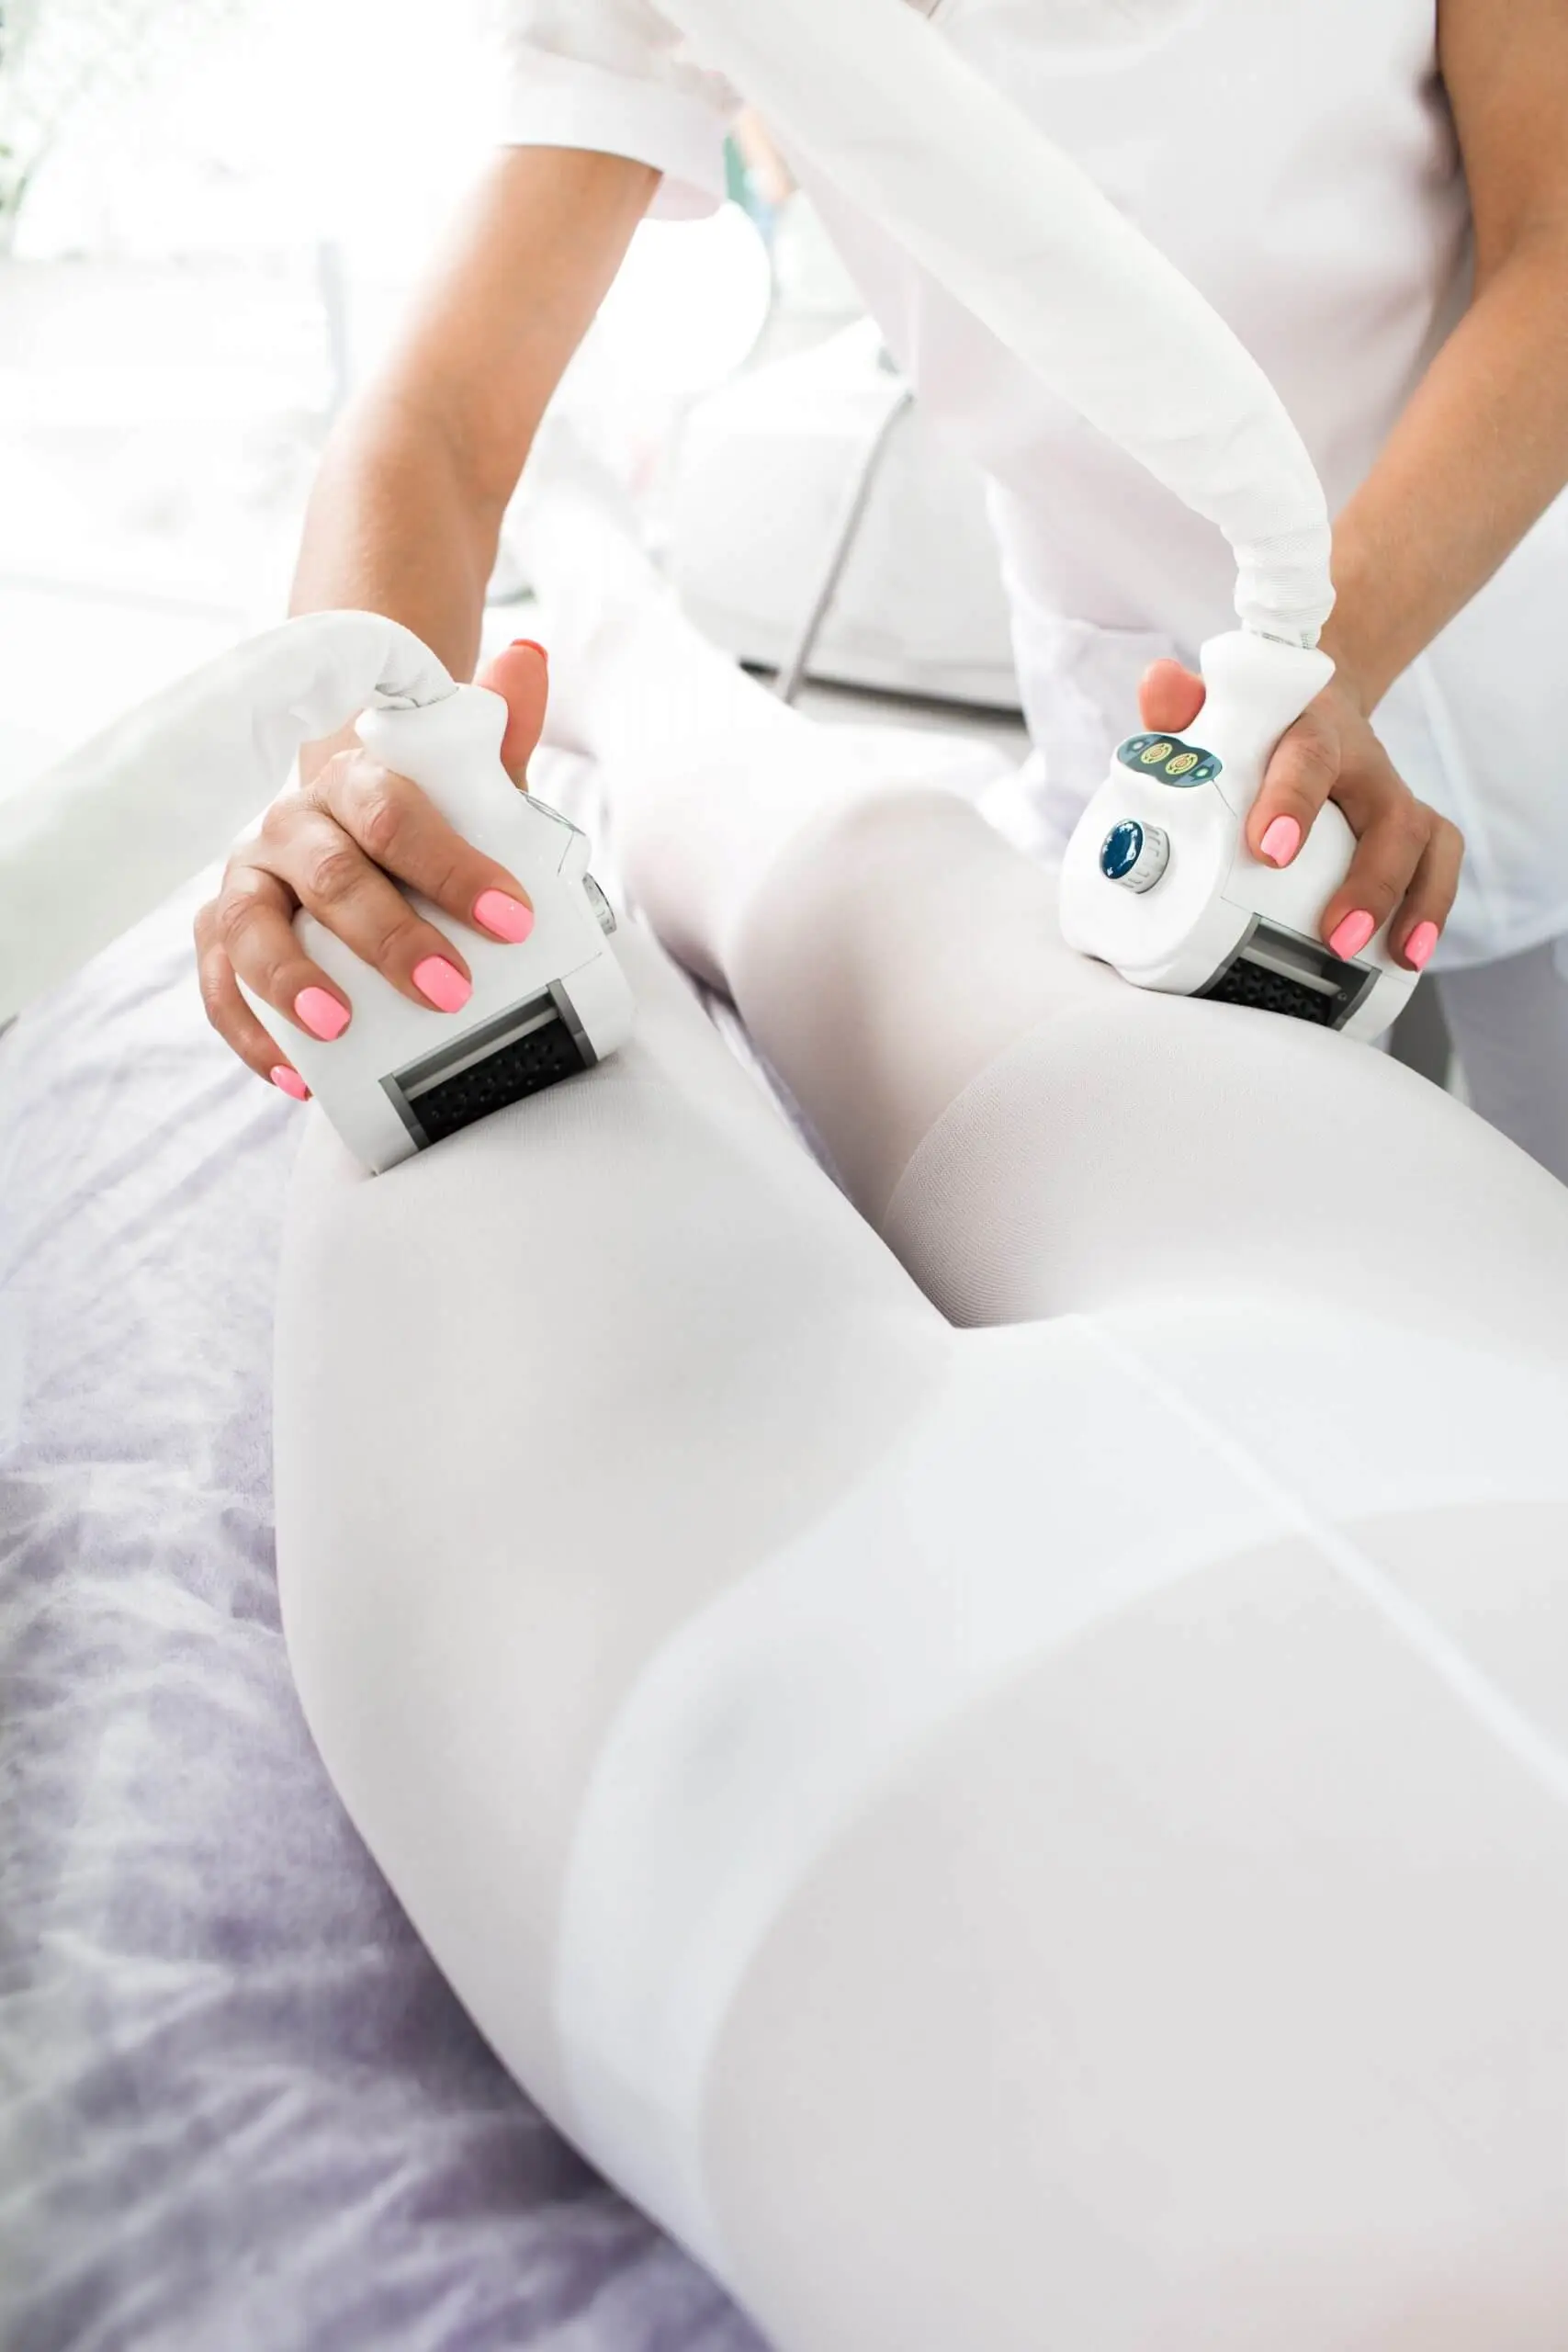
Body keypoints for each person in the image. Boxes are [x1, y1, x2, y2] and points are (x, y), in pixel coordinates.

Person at [194, 0, 1568, 1173]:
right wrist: (361, 802)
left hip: (1507, 637)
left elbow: (1555, 250)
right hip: (1146, 732)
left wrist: (1322, 658)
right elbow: (435, 425)